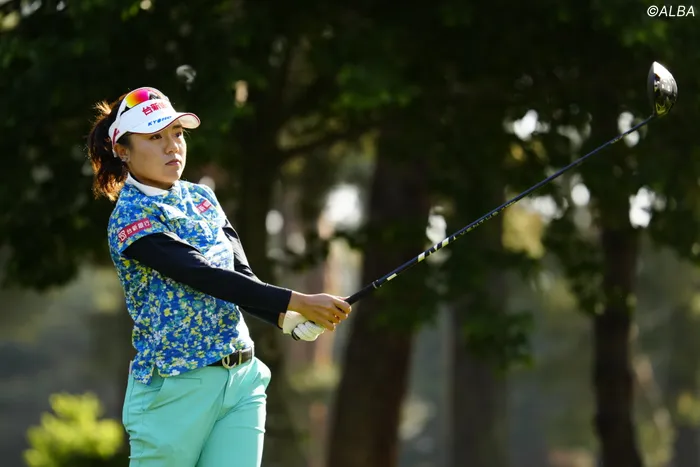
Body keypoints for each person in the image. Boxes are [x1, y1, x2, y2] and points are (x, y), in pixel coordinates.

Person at [85, 86, 351, 467]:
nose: (172, 146)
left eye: (177, 133)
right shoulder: (130, 217)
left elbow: (239, 274)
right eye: (155, 137)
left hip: (241, 380)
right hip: (173, 392)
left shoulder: (202, 199)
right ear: (123, 150)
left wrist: (286, 318)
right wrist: (300, 301)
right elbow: (202, 275)